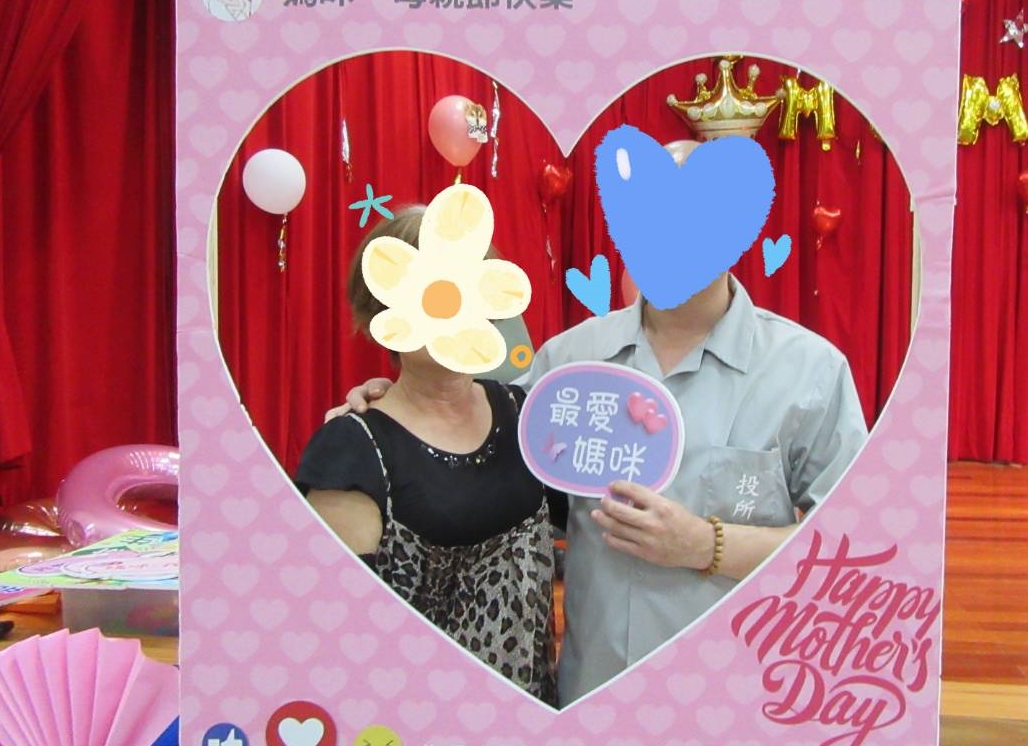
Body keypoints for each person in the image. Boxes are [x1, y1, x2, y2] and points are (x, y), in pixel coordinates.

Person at [337, 141, 868, 708]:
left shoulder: (809, 370)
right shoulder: (568, 362)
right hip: (591, 701)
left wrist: (708, 545)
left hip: (737, 703)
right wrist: (394, 410)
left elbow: (857, 548)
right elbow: (475, 444)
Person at [295, 201, 562, 709]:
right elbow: (336, 628)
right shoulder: (350, 448)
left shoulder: (525, 413)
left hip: (531, 722)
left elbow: (596, 520)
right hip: (411, 728)